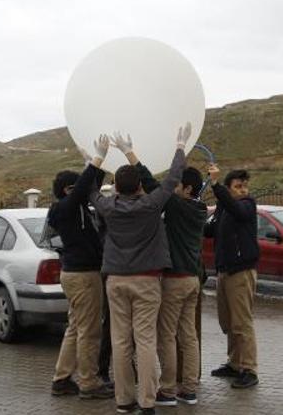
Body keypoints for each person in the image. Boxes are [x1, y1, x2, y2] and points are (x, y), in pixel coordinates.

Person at [87, 125, 191, 415]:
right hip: (147, 281)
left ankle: (123, 401)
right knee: (145, 340)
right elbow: (172, 180)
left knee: (120, 342)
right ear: (140, 187)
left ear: (117, 187)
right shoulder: (151, 204)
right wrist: (179, 145)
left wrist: (94, 159)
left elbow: (90, 190)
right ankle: (147, 402)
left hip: (116, 281)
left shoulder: (107, 207)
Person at [111, 128, 206, 407]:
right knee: (188, 335)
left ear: (186, 189)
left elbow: (152, 183)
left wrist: (130, 154)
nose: (174, 188)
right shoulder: (200, 210)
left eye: (178, 186)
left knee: (166, 335)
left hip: (174, 280)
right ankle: (189, 388)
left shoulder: (177, 205)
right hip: (193, 280)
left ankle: (167, 389)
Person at [49, 140, 113, 400]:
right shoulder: (66, 208)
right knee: (89, 330)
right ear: (67, 190)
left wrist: (99, 164)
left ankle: (61, 379)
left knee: (76, 327)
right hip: (83, 276)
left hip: (78, 274)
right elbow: (82, 189)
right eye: (76, 188)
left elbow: (90, 185)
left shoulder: (73, 209)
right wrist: (94, 162)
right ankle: (88, 382)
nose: (84, 192)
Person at [204, 164, 260, 389]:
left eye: (244, 186)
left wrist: (216, 185)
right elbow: (209, 231)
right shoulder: (222, 207)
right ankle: (234, 363)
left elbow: (238, 211)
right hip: (224, 270)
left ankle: (249, 368)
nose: (243, 190)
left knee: (242, 322)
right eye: (238, 186)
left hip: (241, 271)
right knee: (228, 322)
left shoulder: (247, 204)